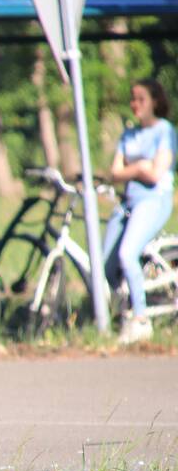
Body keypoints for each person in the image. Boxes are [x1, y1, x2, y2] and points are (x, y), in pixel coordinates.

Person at [103, 78, 176, 344]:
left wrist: (133, 170)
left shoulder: (164, 131)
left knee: (127, 254)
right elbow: (114, 173)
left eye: (141, 98)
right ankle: (121, 310)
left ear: (154, 101)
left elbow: (156, 174)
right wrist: (140, 167)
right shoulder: (129, 134)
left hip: (153, 201)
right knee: (107, 264)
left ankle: (141, 319)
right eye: (133, 99)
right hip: (128, 202)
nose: (135, 104)